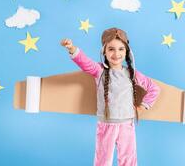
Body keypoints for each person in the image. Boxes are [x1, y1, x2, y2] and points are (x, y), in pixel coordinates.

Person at [60, 27, 160, 166]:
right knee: (102, 160)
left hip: (127, 125)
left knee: (128, 160)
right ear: (104, 52)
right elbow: (84, 62)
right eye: (111, 49)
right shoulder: (99, 71)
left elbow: (154, 88)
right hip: (106, 125)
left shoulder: (131, 74)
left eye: (121, 49)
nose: (116, 53)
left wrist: (141, 108)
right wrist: (71, 48)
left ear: (126, 52)